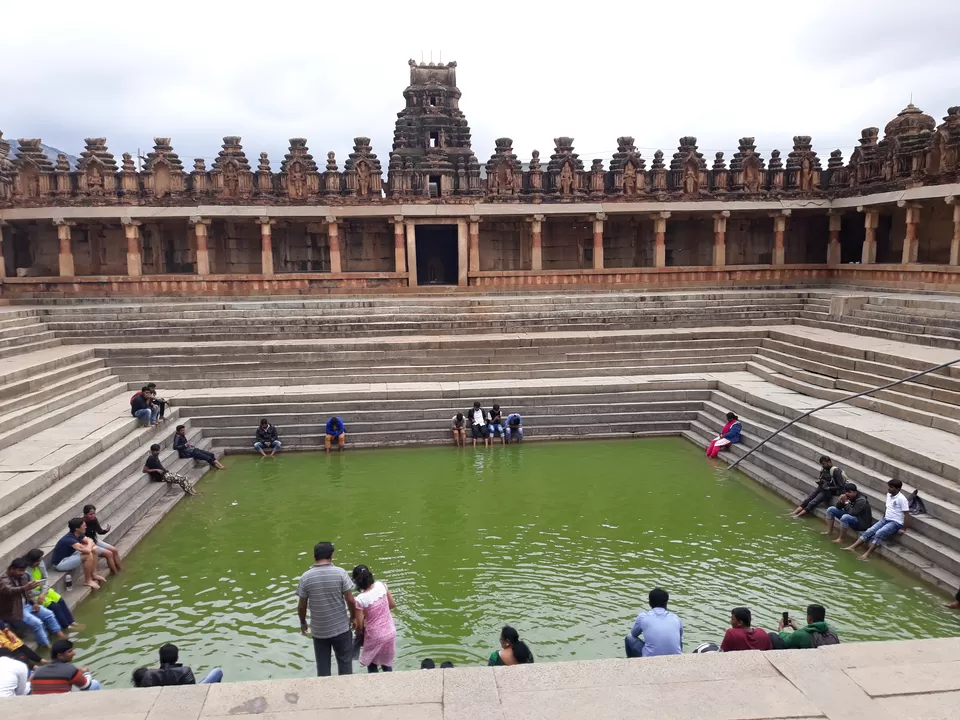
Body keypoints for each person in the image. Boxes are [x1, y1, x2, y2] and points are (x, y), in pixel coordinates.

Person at [297, 542, 357, 677]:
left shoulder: (306, 577)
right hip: (341, 628)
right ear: (332, 555)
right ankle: (347, 694)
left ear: (314, 557)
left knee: (323, 668)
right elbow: (351, 600)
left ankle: (324, 694)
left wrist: (303, 622)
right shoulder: (340, 573)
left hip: (319, 631)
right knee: (345, 665)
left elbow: (302, 605)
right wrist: (353, 617)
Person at [1, 558, 63, 649]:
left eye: (23, 570)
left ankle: (59, 633)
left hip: (27, 605)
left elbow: (28, 593)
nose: (22, 573)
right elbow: (10, 591)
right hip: (13, 611)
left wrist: (34, 602)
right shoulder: (3, 580)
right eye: (19, 570)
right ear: (11, 569)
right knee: (37, 623)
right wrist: (25, 587)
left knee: (49, 614)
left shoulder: (23, 576)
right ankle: (46, 645)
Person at [844, 479, 911, 560]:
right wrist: (883, 519)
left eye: (891, 487)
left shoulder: (902, 499)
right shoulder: (889, 495)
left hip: (896, 522)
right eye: (889, 487)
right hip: (886, 519)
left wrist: (903, 528)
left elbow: (906, 515)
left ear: (898, 489)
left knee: (879, 533)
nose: (889, 489)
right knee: (870, 530)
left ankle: (866, 554)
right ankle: (852, 547)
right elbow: (888, 507)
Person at [351, 565, 397, 673]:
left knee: (372, 663)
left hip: (374, 635)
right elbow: (392, 604)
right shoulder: (382, 585)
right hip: (390, 631)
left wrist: (358, 636)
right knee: (386, 662)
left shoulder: (360, 599)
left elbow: (359, 626)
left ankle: (374, 685)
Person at [24, 549, 79, 630]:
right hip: (34, 594)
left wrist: (43, 593)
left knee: (60, 600)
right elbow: (28, 590)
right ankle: (66, 626)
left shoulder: (41, 564)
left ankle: (71, 621)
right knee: (54, 606)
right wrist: (40, 594)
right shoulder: (26, 572)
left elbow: (45, 578)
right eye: (38, 561)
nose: (40, 562)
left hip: (44, 590)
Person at [624, 588, 683, 658]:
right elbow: (680, 635)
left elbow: (634, 634)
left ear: (649, 603)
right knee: (678, 638)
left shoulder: (643, 617)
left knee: (629, 637)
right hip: (675, 657)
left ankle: (632, 663)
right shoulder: (676, 618)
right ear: (666, 602)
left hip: (650, 657)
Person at [30, 639, 101, 693]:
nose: (74, 653)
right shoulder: (70, 669)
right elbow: (87, 687)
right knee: (95, 684)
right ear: (60, 656)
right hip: (61, 705)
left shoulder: (38, 671)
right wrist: (86, 673)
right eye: (70, 651)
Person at [51, 518, 106, 590]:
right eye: (84, 526)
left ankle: (94, 574)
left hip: (70, 555)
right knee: (88, 556)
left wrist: (89, 544)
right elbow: (88, 547)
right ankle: (88, 580)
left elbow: (91, 542)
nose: (86, 527)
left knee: (94, 549)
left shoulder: (79, 534)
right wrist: (89, 544)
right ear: (77, 528)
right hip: (60, 563)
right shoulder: (69, 539)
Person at [137, 643, 223, 686]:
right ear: (177, 658)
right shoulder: (185, 670)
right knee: (217, 672)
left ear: (160, 658)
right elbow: (193, 689)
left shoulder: (150, 674)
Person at [771, 605, 839, 649]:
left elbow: (785, 641)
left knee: (772, 636)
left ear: (809, 618)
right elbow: (804, 635)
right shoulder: (832, 632)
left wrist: (781, 629)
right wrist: (795, 628)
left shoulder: (801, 635)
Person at [82, 504, 122, 574]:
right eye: (90, 514)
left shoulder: (94, 520)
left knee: (114, 550)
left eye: (94, 513)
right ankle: (115, 573)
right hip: (88, 544)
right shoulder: (81, 523)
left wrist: (105, 530)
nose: (93, 516)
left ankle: (120, 569)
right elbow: (81, 538)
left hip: (95, 540)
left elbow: (99, 531)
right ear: (85, 514)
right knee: (109, 554)